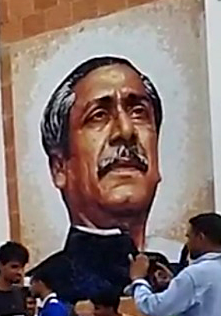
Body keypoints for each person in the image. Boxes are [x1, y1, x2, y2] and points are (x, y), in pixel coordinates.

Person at [34, 55, 164, 303]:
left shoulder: (179, 280)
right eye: (98, 116)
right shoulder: (49, 285)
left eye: (138, 112)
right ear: (59, 167)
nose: (125, 131)